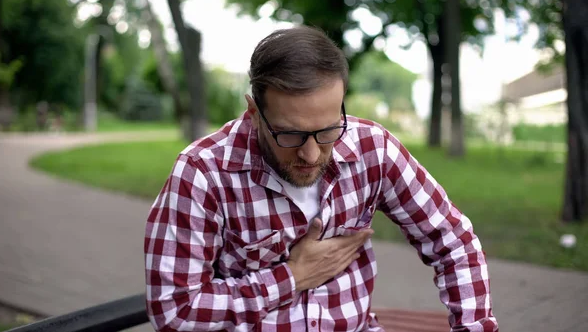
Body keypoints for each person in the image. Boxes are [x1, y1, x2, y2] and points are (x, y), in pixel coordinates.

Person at [144, 26, 498, 332]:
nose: (311, 155)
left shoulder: (373, 149)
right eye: (290, 135)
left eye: (328, 130)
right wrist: (291, 278)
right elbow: (174, 311)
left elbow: (452, 241)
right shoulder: (203, 173)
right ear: (254, 113)